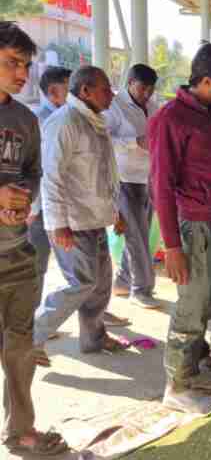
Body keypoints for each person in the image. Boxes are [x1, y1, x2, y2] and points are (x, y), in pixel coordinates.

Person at [150, 43, 211, 414]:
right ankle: (177, 384)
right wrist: (173, 245)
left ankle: (196, 364)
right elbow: (160, 186)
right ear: (205, 81)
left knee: (209, 301)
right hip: (195, 227)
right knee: (191, 307)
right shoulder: (170, 120)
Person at [0, 21, 67, 456]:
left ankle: (21, 429)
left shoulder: (25, 119)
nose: (22, 73)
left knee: (21, 349)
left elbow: (33, 173)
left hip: (17, 252)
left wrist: (22, 199)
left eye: (25, 65)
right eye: (11, 62)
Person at [34, 66, 128, 356]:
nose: (110, 94)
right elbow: (51, 176)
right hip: (72, 224)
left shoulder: (94, 121)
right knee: (82, 284)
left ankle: (94, 339)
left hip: (94, 219)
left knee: (100, 286)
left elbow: (104, 175)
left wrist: (115, 212)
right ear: (85, 91)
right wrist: (59, 224)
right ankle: (29, 336)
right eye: (104, 89)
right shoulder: (64, 122)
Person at [105, 63, 160, 309]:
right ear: (130, 83)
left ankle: (123, 281)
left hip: (147, 178)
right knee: (136, 237)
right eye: (142, 88)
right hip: (124, 178)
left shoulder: (153, 106)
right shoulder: (114, 107)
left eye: (150, 89)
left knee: (141, 234)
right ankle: (141, 289)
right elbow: (104, 140)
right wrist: (134, 142)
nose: (146, 93)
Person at [28, 66, 70, 298]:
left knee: (78, 266)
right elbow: (33, 166)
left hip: (64, 202)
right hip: (42, 206)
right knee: (38, 262)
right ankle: (33, 319)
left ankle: (96, 315)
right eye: (69, 87)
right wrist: (33, 207)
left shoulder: (67, 117)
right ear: (53, 92)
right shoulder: (39, 120)